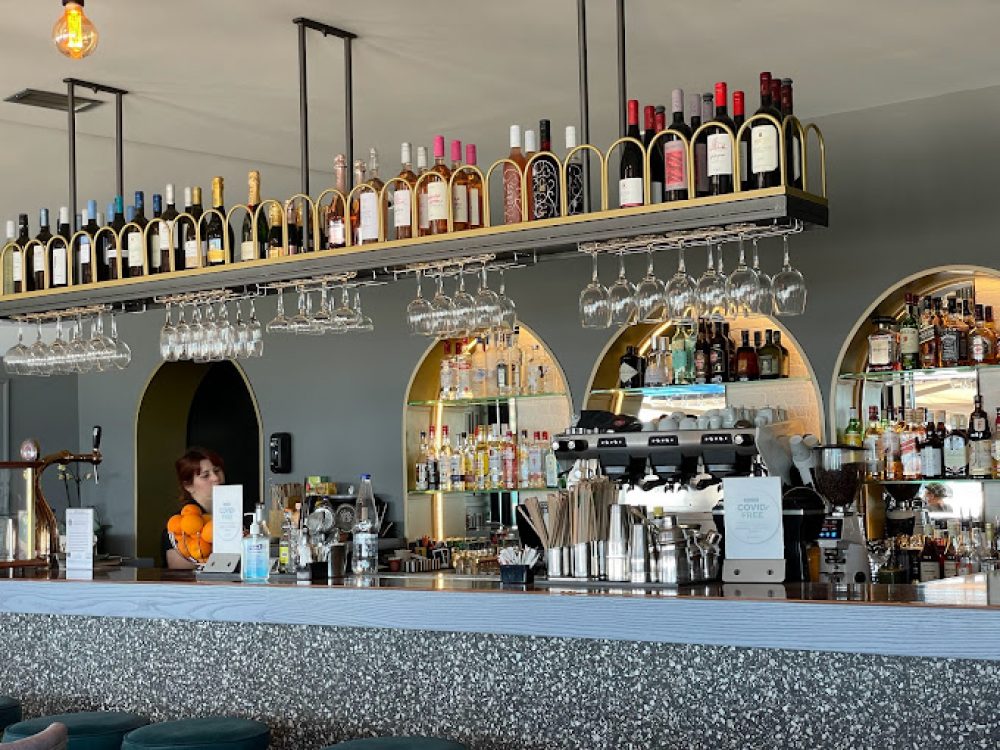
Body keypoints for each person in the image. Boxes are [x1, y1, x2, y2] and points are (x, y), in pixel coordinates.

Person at [163, 447, 225, 569]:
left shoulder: (235, 514)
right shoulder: (180, 525)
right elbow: (180, 571)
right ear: (188, 486)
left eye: (217, 471)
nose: (216, 478)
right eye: (205, 476)